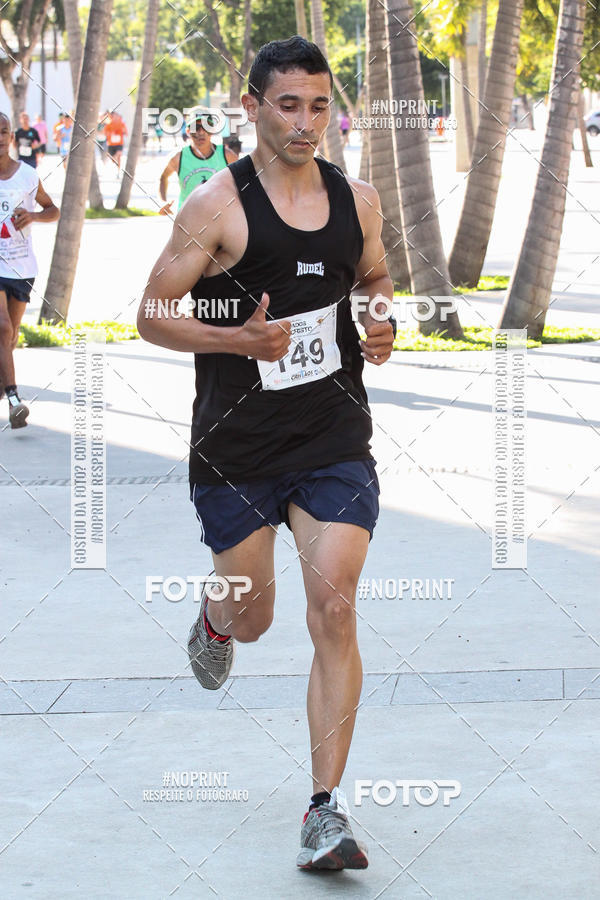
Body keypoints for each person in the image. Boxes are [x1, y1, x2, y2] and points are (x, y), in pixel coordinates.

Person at [137, 36, 395, 871]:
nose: (305, 121)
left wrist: (383, 318)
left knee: (338, 606)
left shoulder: (358, 200)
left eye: (319, 105)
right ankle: (217, 613)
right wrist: (239, 340)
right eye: (288, 104)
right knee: (256, 618)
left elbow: (376, 275)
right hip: (236, 447)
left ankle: (326, 810)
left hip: (331, 437)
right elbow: (149, 311)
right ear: (252, 107)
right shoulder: (217, 205)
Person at [0, 113, 60, 428]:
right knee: (3, 328)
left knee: (9, 337)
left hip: (22, 267)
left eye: (3, 131)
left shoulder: (27, 175)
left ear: (12, 136)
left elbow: (53, 209)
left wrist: (33, 217)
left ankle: (3, 382)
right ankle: (13, 399)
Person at [157, 109, 237, 215]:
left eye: (206, 127)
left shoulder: (227, 155)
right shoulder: (179, 157)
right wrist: (162, 201)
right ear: (188, 131)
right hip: (187, 220)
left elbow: (245, 180)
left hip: (220, 221)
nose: (201, 132)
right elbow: (163, 177)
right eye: (196, 128)